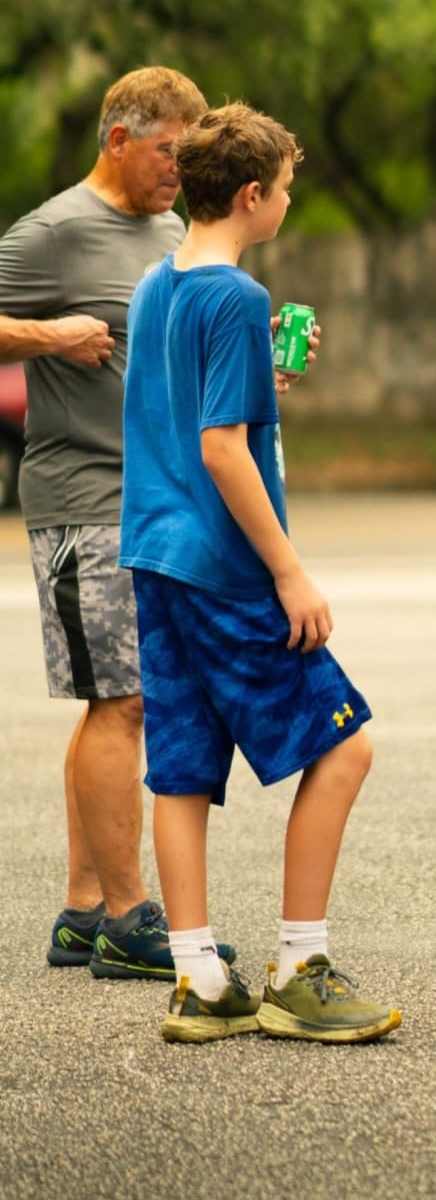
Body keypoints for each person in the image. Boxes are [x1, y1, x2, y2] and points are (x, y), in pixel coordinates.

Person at [119, 102, 401, 1044]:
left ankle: (200, 977)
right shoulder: (237, 298)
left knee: (182, 768)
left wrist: (264, 383)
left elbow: (190, 408)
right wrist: (290, 573)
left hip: (155, 555)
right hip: (226, 567)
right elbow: (221, 449)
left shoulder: (161, 284)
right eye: (285, 188)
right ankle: (298, 965)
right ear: (253, 195)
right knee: (345, 745)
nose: (288, 201)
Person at [0, 65, 242, 980]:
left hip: (150, 497)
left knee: (116, 699)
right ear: (119, 140)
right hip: (80, 499)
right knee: (125, 701)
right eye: (170, 152)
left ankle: (83, 908)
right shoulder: (56, 231)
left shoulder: (173, 230)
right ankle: (133, 916)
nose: (182, 171)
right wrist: (52, 334)